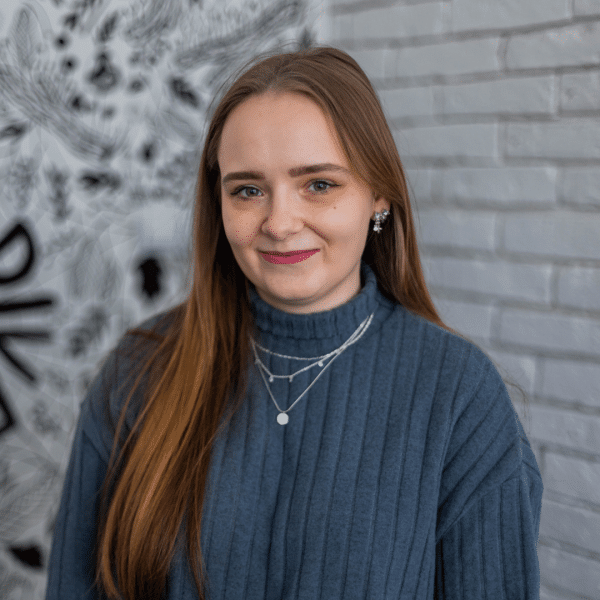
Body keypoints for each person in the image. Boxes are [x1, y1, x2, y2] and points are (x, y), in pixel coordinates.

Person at [45, 44, 543, 600]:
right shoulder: (139, 370)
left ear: (377, 195)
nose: (279, 223)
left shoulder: (458, 394)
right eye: (248, 190)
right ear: (220, 202)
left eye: (319, 184)